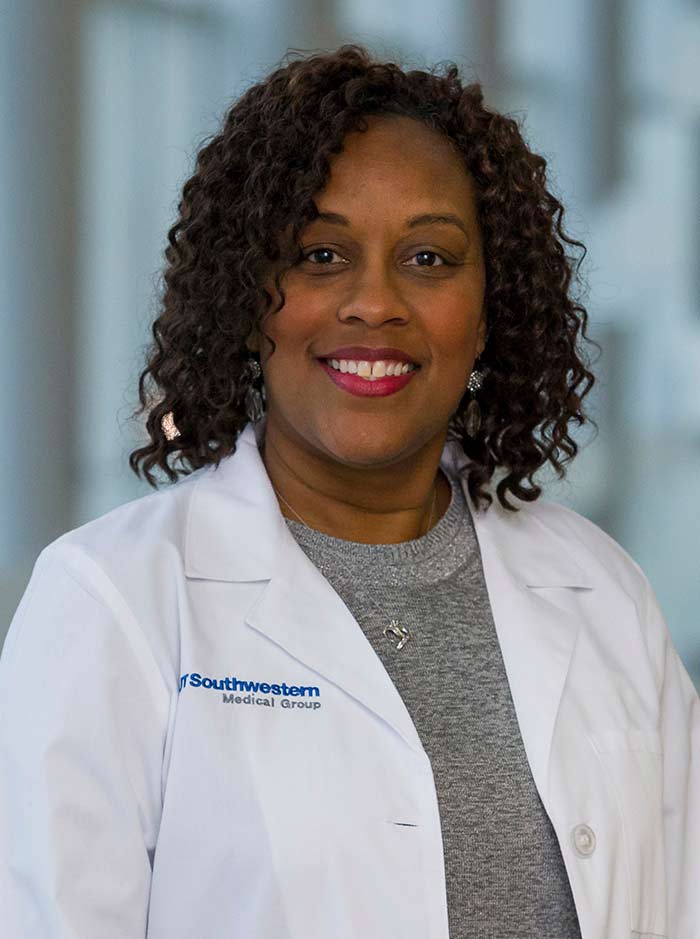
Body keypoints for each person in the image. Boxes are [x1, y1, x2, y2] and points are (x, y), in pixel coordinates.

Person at [0, 43, 697, 939]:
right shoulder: (113, 603)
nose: (374, 302)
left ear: (488, 311)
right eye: (322, 253)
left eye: (430, 258)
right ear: (253, 296)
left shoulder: (601, 590)